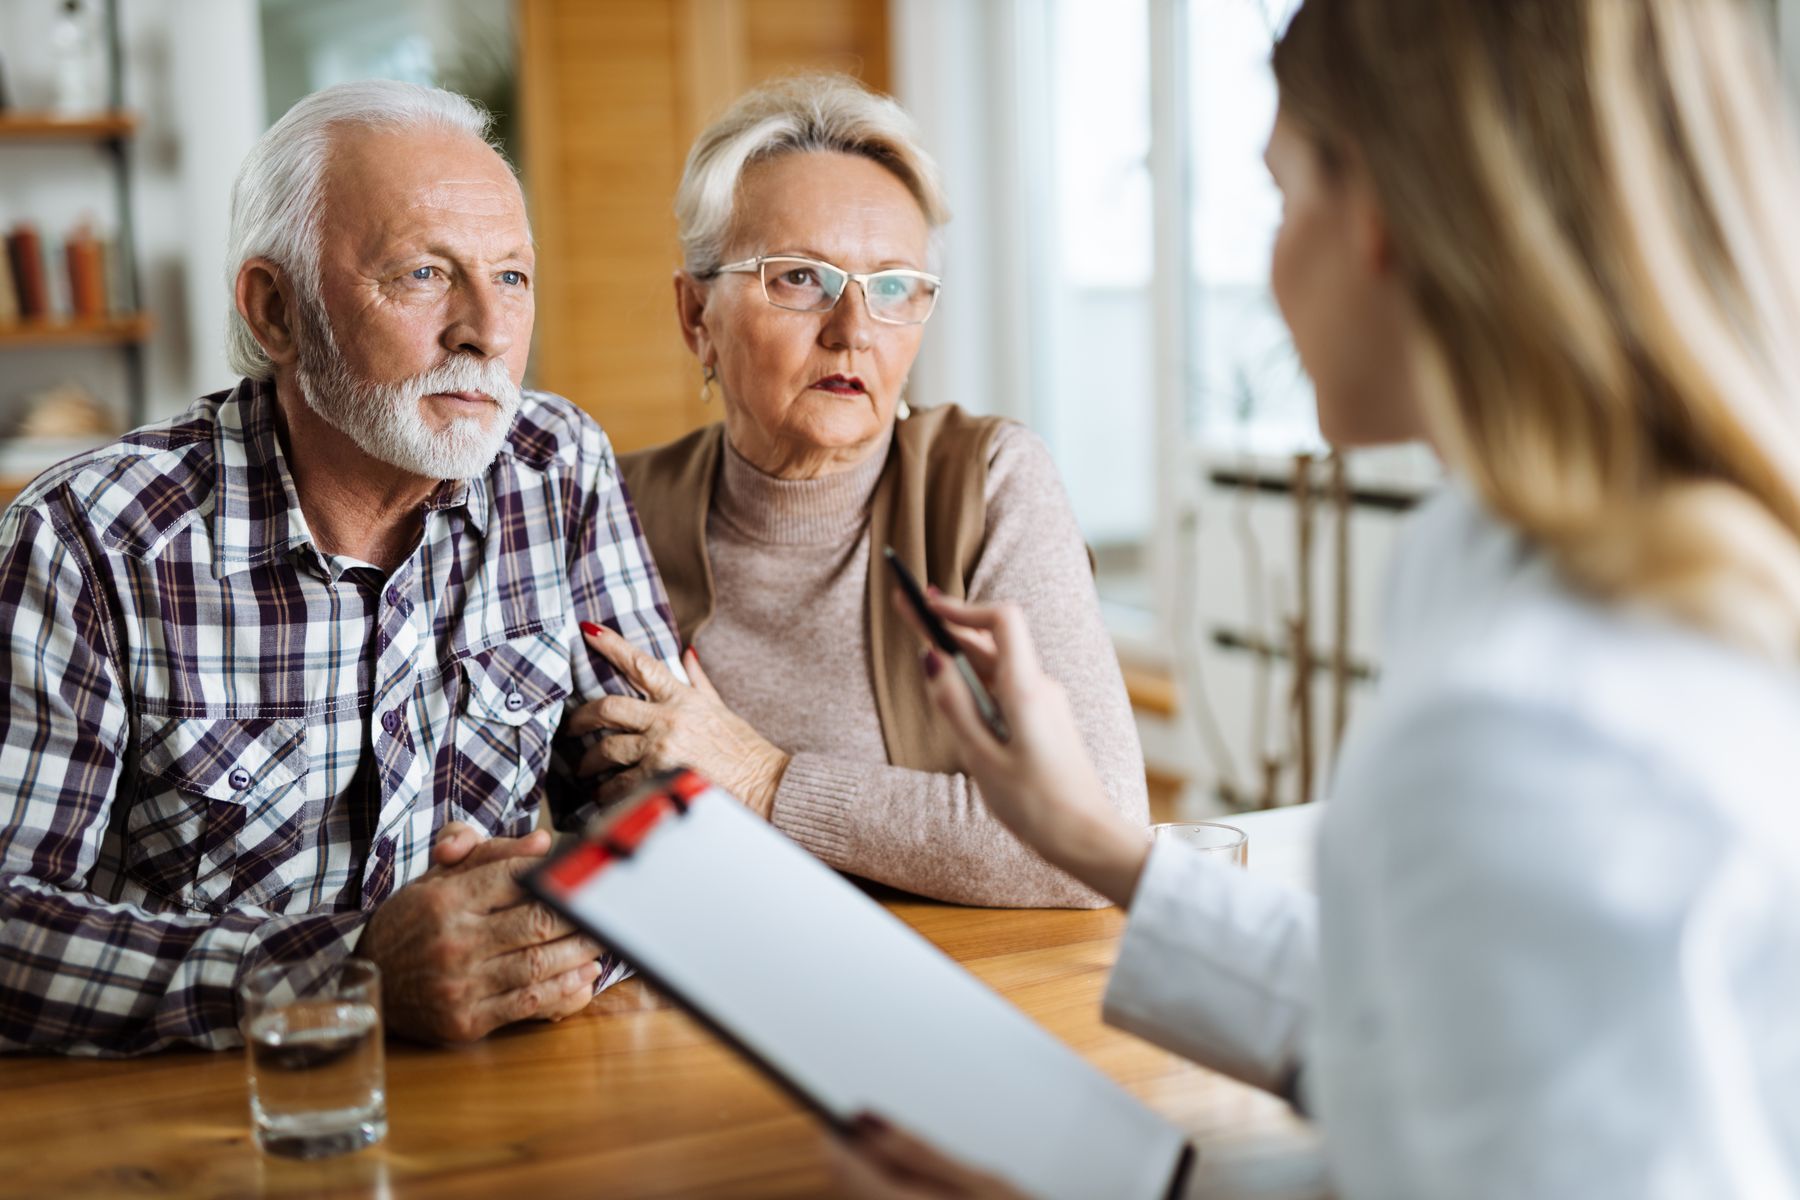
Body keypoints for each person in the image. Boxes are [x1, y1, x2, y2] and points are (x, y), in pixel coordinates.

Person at [832, 0, 1800, 1195]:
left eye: (1282, 198)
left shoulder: (1543, 728)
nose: (1271, 266)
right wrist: (1092, 840)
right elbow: (1432, 1027)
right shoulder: (1497, 554)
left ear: (1382, 217)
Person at [0, 80, 683, 1055]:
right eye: (423, 274)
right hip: (218, 1109)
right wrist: (344, 972)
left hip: (507, 1081)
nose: (488, 333)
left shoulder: (557, 467)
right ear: (276, 311)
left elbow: (657, 806)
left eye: (512, 277)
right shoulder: (88, 539)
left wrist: (548, 931)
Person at [574, 75, 1148, 907]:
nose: (853, 331)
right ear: (696, 315)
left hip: (949, 975)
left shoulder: (990, 483)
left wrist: (763, 779)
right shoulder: (609, 508)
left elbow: (1100, 836)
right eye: (800, 278)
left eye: (892, 286)